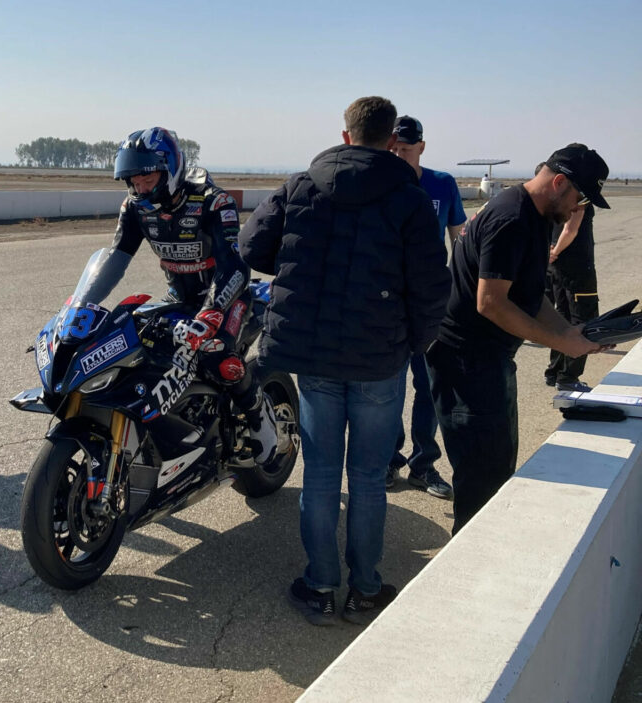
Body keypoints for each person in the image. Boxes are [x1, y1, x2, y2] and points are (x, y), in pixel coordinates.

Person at [238, 96, 450, 626]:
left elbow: (250, 247)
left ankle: (320, 584)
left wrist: (295, 263)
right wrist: (414, 345)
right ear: (390, 139)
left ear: (347, 132)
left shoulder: (302, 184)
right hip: (379, 359)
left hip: (314, 358)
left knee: (321, 476)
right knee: (369, 477)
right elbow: (432, 288)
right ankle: (365, 590)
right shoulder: (410, 196)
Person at [425, 144, 609, 536]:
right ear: (559, 182)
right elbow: (491, 303)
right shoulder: (512, 220)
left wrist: (570, 332)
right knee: (482, 480)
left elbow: (528, 295)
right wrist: (562, 345)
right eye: (580, 198)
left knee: (496, 469)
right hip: (466, 364)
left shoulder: (536, 215)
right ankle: (466, 573)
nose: (579, 209)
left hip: (486, 362)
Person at [75, 127, 278, 463]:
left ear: (169, 168)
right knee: (136, 345)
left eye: (147, 178)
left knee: (219, 359)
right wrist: (82, 306)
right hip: (178, 300)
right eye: (133, 181)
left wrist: (212, 313)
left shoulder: (214, 201)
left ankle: (263, 426)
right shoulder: (135, 208)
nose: (139, 188)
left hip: (227, 298)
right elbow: (114, 261)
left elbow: (235, 266)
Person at [385, 115, 467, 499]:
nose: (400, 155)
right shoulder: (381, 182)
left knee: (430, 386)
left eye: (406, 148)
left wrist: (460, 295)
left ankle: (423, 464)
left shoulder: (442, 184)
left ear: (421, 146)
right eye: (394, 148)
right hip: (387, 307)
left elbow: (459, 241)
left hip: (431, 307)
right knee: (388, 387)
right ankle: (388, 459)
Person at [544, 199, 599, 392]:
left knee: (562, 317)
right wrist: (555, 252)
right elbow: (571, 229)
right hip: (577, 268)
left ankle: (555, 371)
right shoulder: (580, 196)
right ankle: (569, 376)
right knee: (583, 320)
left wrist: (550, 253)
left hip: (558, 268)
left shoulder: (558, 195)